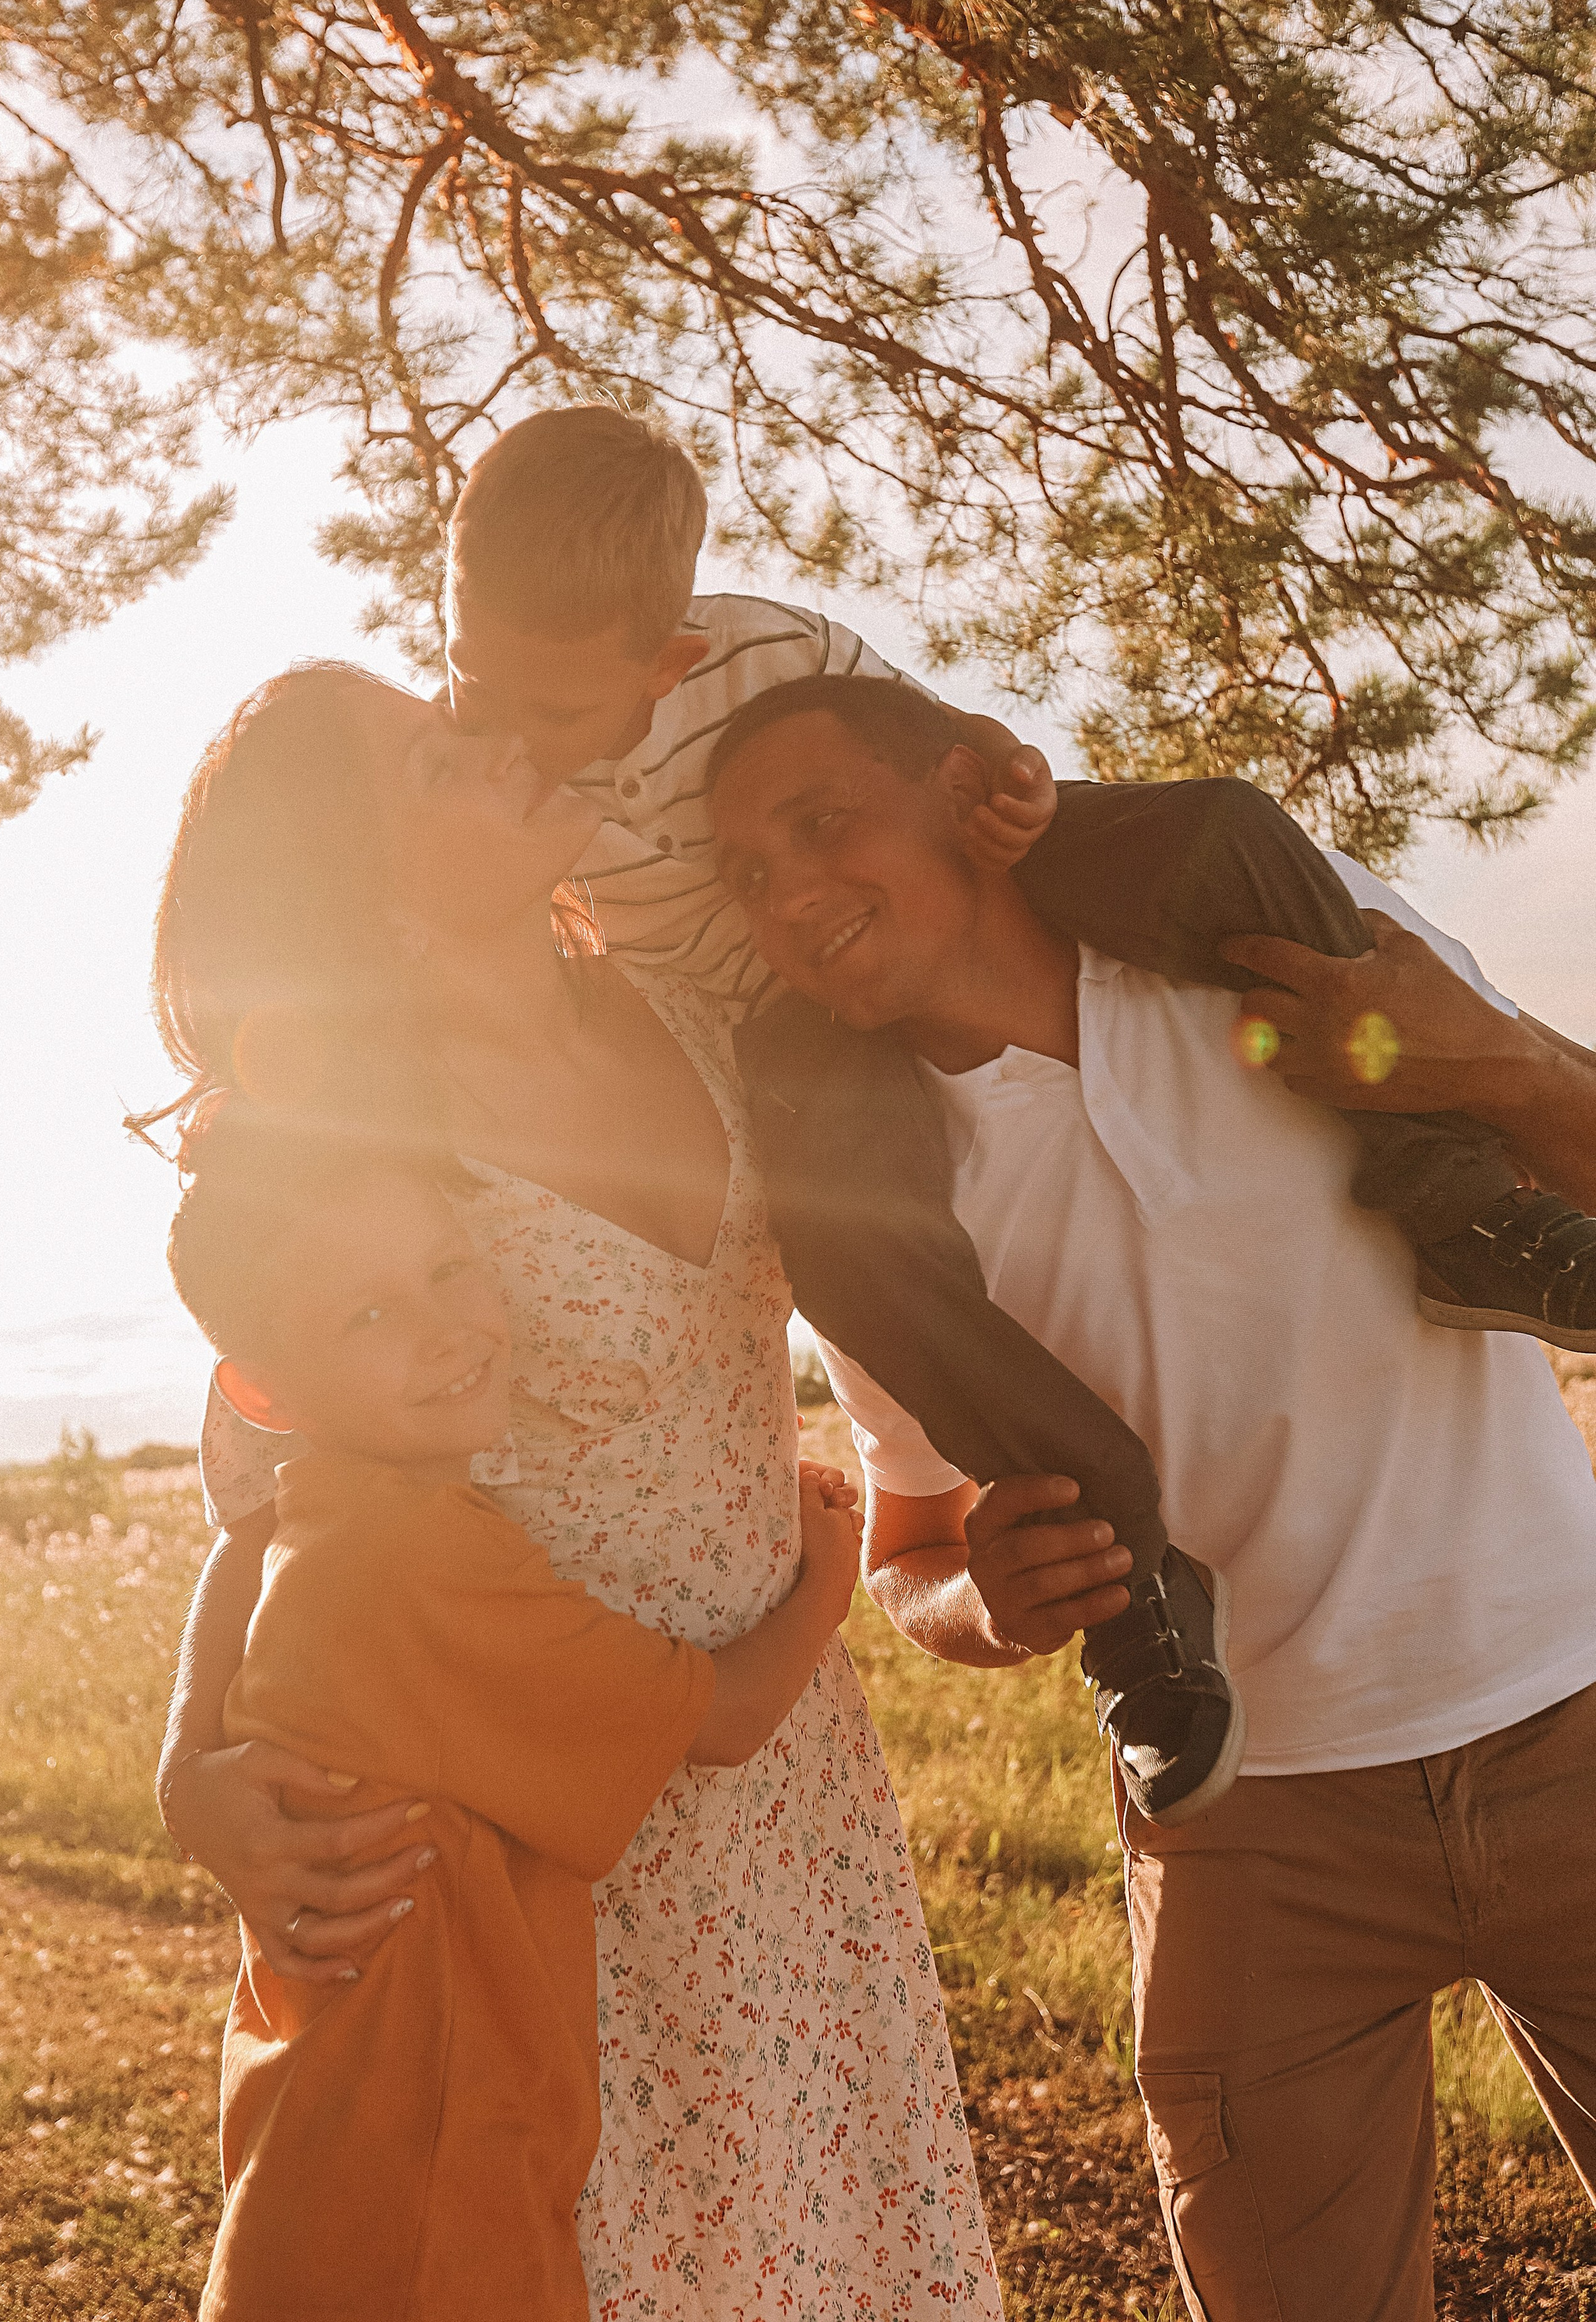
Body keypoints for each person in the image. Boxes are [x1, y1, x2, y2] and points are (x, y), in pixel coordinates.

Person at [440, 405, 1596, 1824]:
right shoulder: (502, 768)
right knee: (839, 1227)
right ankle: (1138, 1601)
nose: (502, 732)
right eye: (466, 681)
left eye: (550, 712)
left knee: (1222, 828)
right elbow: (914, 1547)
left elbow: (941, 747)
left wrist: (1013, 787)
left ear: (669, 655)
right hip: (801, 1043)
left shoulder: (773, 653)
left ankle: (1463, 1213)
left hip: (998, 876)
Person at [704, 672, 1596, 2322]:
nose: (786, 896)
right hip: (1247, 1832)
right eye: (744, 877)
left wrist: (1506, 1068)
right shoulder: (874, 1210)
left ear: (969, 795)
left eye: (819, 826)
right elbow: (910, 1552)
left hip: (1570, 1721)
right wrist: (983, 1594)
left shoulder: (1283, 946)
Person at [149, 664, 1006, 2321]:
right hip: (529, 1818)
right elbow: (260, 1508)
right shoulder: (350, 1138)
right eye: (431, 762)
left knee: (835, 2239)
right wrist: (195, 1769)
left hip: (782, 1787)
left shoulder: (695, 1007)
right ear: (368, 884)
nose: (497, 735)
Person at [164, 1102, 861, 2321]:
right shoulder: (412, 1564)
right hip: (428, 2192)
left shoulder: (333, 1528)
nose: (446, 1330)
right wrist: (831, 1565)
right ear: (262, 1391)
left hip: (349, 2154)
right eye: (370, 1314)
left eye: (448, 1268)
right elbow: (727, 1718)